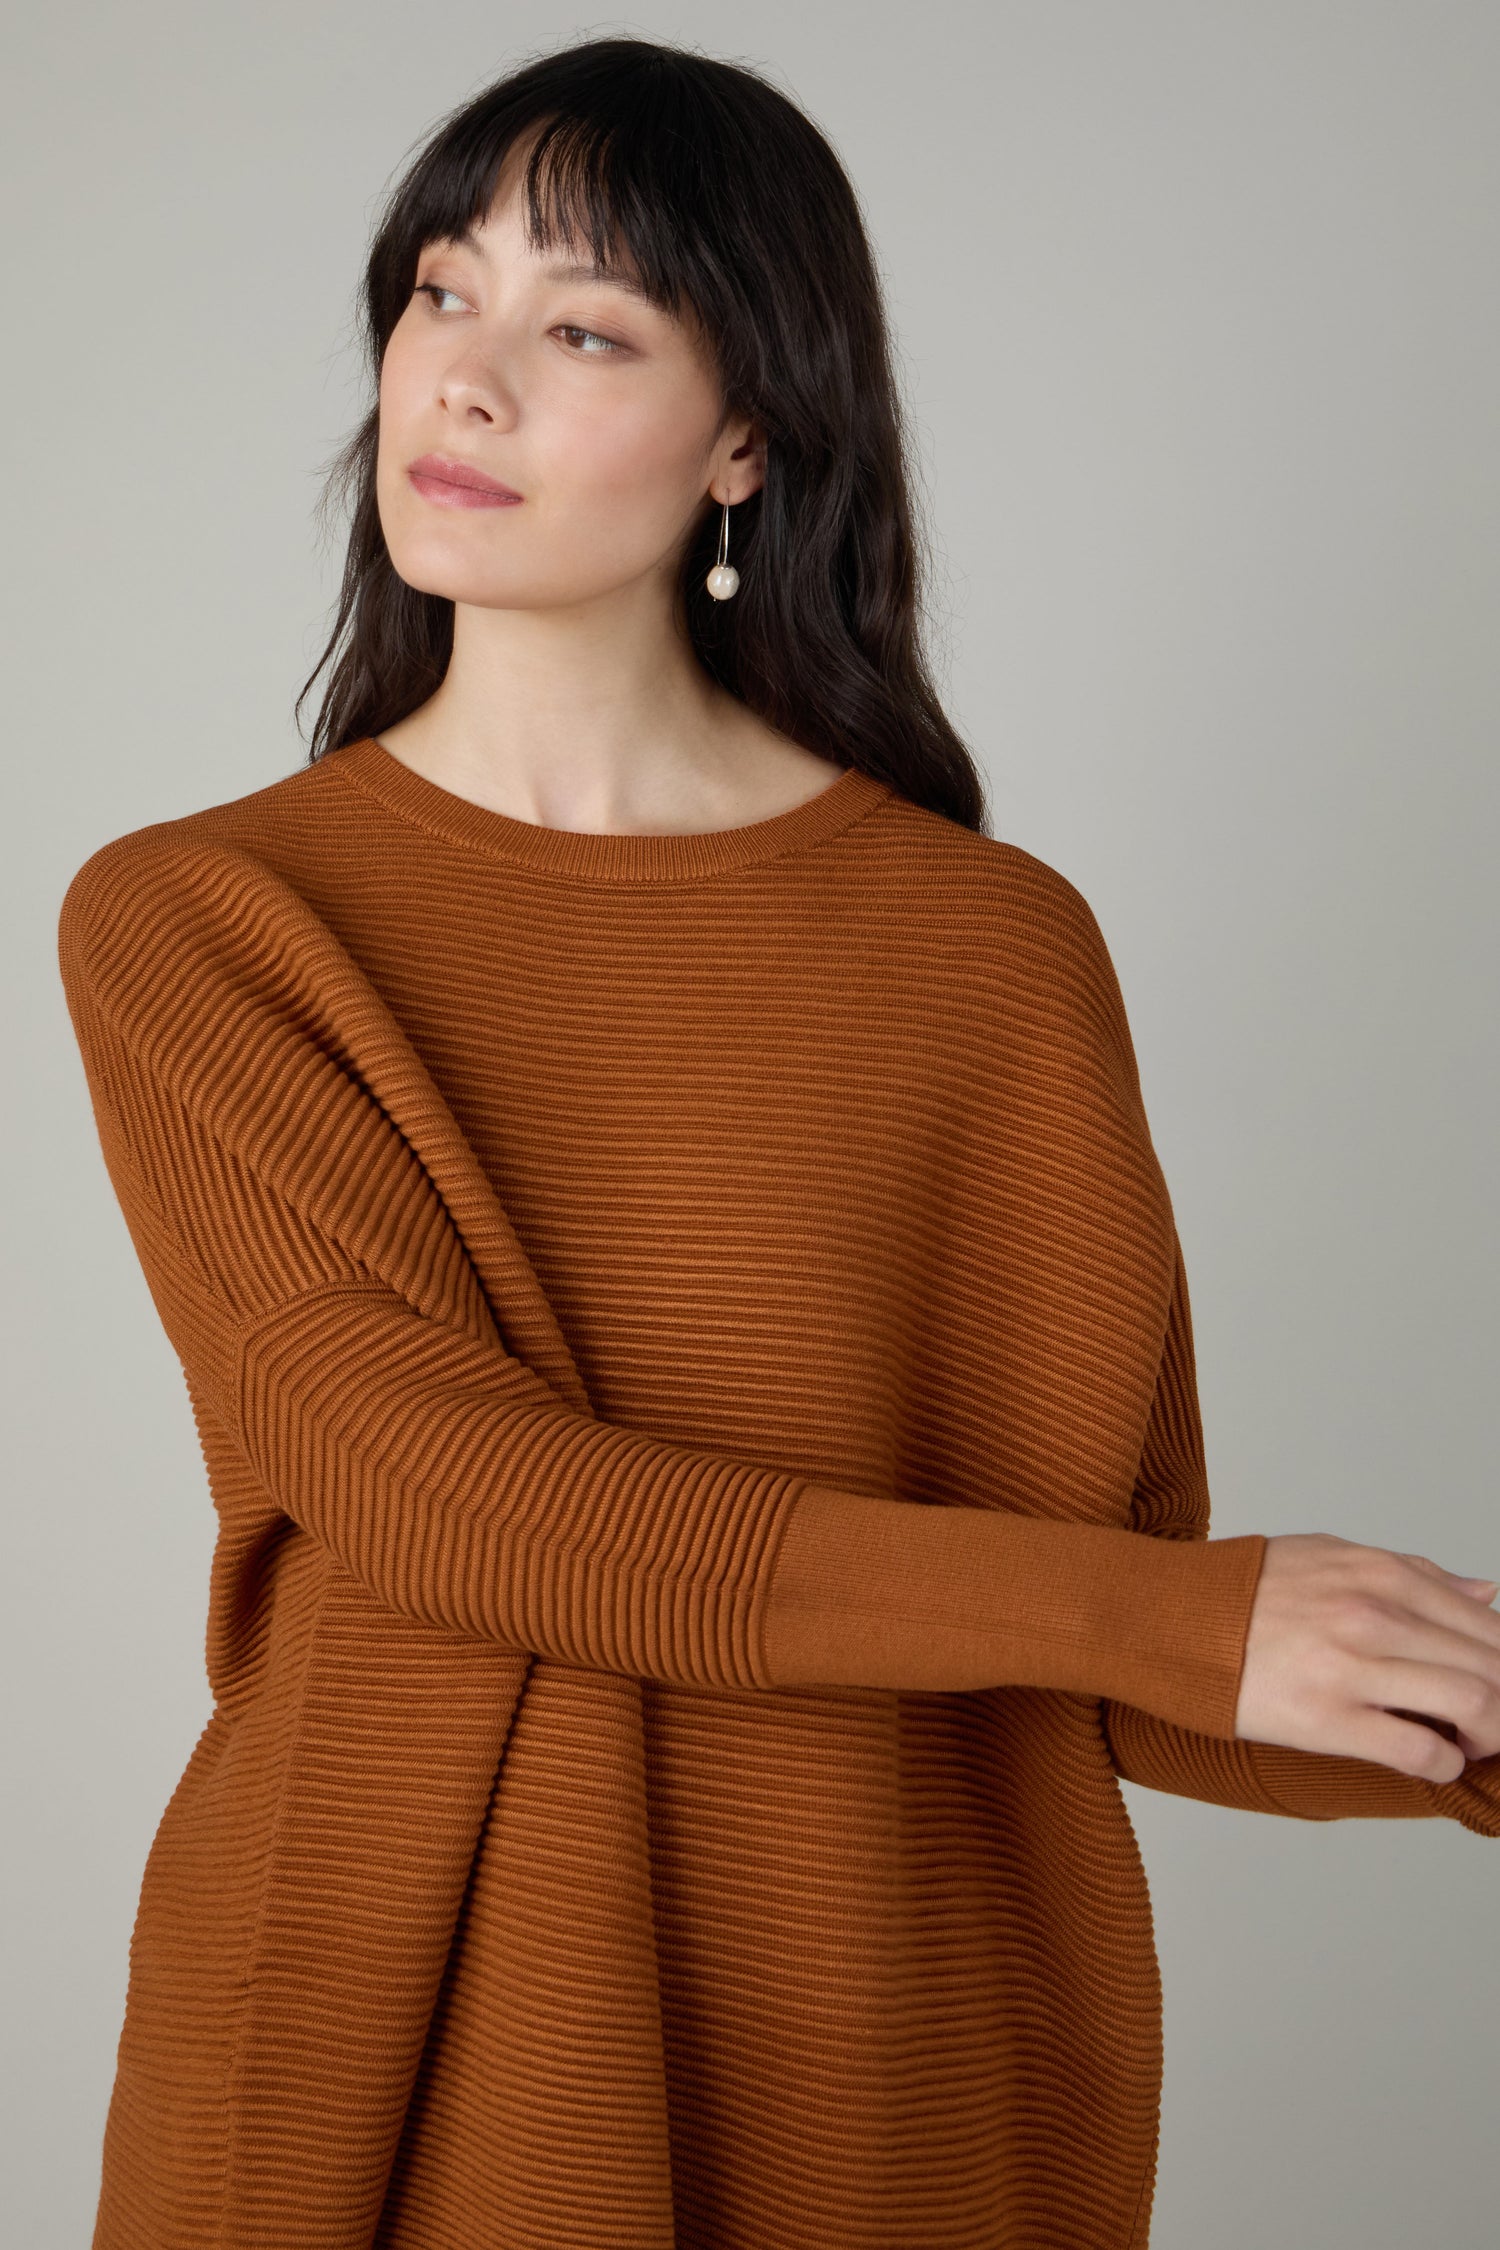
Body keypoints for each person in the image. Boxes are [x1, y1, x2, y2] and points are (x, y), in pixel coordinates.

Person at [58, 34, 1500, 2250]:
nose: (464, 380)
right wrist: (1177, 1621)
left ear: (750, 435)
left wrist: (1454, 1712)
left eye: (584, 330)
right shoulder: (212, 917)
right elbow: (421, 1475)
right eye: (441, 293)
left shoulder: (992, 951)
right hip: (403, 2036)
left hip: (891, 2022)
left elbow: (1124, 1636)